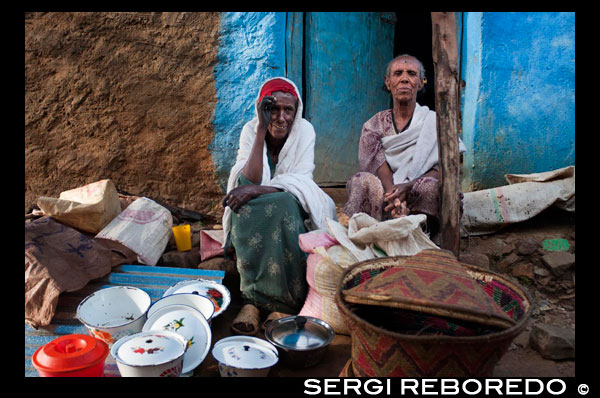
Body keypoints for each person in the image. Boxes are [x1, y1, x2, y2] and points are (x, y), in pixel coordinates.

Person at [222, 77, 337, 335]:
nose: (281, 117)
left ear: (297, 112)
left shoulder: (304, 131)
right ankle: (252, 300)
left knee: (283, 202)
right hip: (257, 211)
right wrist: (261, 130)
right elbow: (246, 180)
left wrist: (255, 190)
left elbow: (299, 183)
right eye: (273, 109)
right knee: (243, 204)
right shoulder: (251, 130)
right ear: (262, 110)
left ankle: (284, 304)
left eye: (289, 110)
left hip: (291, 209)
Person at [343, 54, 466, 239]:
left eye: (411, 74)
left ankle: (423, 239)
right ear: (388, 81)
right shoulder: (373, 125)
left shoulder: (437, 123)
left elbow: (447, 164)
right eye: (398, 73)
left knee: (430, 187)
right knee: (361, 180)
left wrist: (409, 186)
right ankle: (368, 238)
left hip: (417, 192)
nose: (404, 79)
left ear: (421, 82)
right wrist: (395, 197)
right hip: (386, 194)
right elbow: (376, 164)